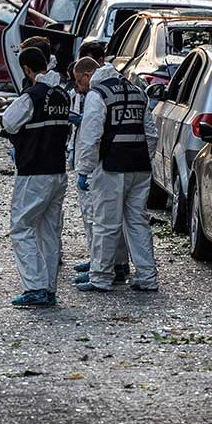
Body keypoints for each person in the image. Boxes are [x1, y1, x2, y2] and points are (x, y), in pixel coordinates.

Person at [74, 59, 159, 293]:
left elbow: (91, 137)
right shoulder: (138, 92)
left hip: (111, 168)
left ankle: (101, 277)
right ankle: (147, 277)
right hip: (140, 167)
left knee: (106, 224)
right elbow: (151, 134)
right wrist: (143, 156)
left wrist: (85, 170)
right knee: (137, 223)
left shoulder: (98, 95)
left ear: (91, 76)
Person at [0, 48, 71, 307]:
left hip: (34, 171)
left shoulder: (32, 96)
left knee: (21, 227)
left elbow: (8, 122)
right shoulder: (62, 94)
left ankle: (35, 287)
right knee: (49, 231)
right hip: (57, 171)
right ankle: (49, 287)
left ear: (27, 70)